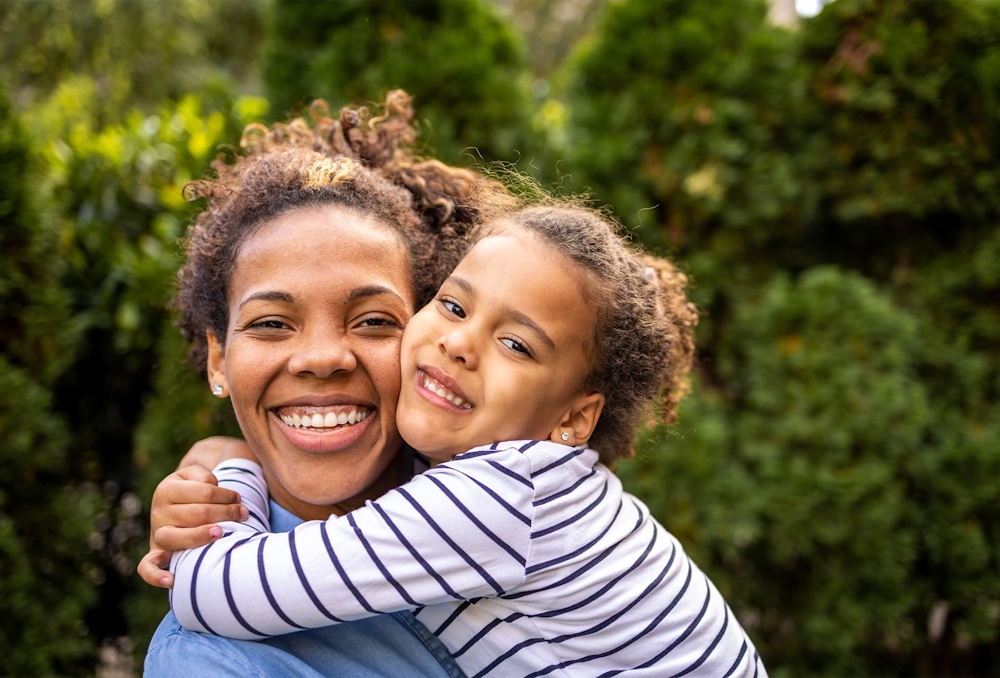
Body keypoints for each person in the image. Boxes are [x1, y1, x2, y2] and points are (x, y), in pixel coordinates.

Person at [157, 204, 768, 677]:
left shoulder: (495, 498)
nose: (459, 343)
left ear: (575, 420)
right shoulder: (510, 476)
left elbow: (213, 593)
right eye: (452, 306)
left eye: (516, 345)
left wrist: (230, 481)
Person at [140, 90, 513, 678]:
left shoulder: (510, 498)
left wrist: (229, 457)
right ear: (218, 360)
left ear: (428, 337)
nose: (322, 358)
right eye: (270, 324)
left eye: (373, 321)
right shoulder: (215, 658)